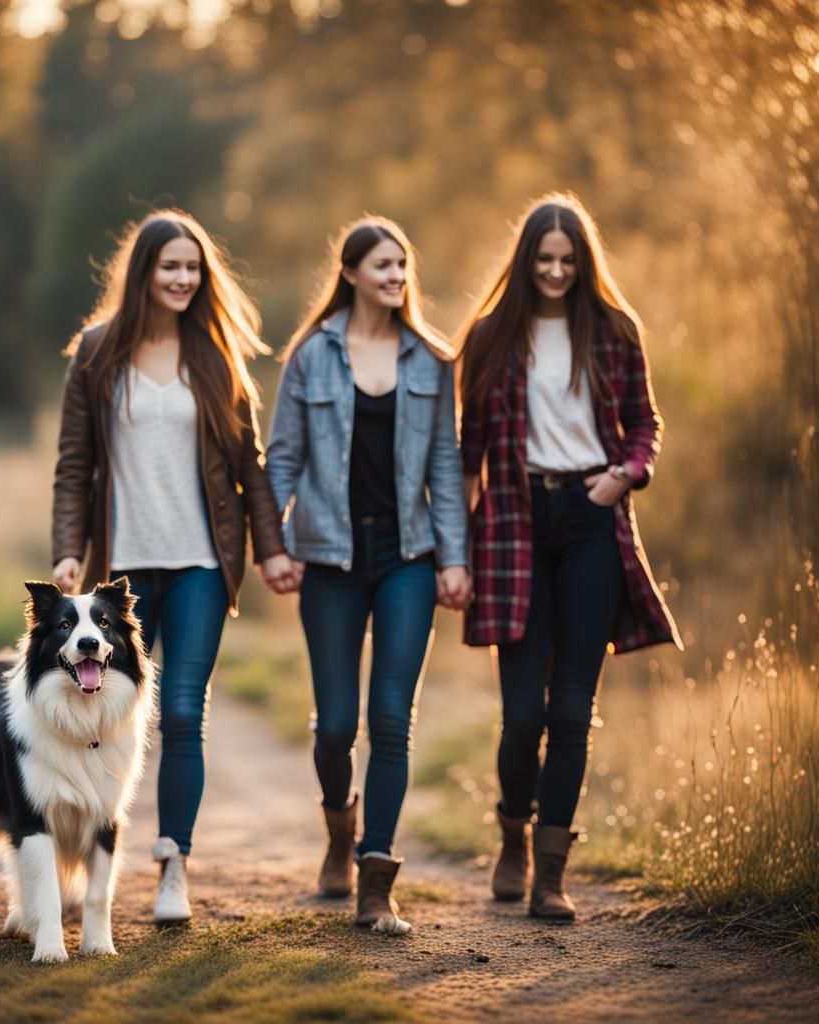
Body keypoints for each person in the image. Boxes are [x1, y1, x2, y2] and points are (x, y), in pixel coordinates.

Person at [51, 210, 297, 923]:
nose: (184, 279)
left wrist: (272, 550)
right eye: (171, 267)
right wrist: (69, 547)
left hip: (199, 565)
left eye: (194, 268)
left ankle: (172, 871)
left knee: (183, 713)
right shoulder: (97, 354)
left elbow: (248, 469)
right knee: (95, 714)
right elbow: (75, 464)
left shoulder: (217, 356)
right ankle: (74, 861)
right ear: (144, 274)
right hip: (121, 574)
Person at [458, 193, 682, 922]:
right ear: (526, 262)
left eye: (568, 259)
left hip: (591, 522)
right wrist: (454, 548)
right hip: (513, 523)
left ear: (583, 263)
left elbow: (645, 423)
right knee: (523, 714)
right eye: (544, 259)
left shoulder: (615, 330)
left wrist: (626, 473)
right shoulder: (491, 335)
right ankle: (513, 838)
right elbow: (467, 451)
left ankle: (551, 874)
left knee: (572, 712)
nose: (555, 271)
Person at [267, 217, 470, 934]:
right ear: (350, 272)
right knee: (335, 727)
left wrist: (454, 558)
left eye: (403, 265)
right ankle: (338, 833)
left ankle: (376, 880)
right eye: (383, 265)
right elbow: (281, 457)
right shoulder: (311, 357)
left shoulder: (432, 361)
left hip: (407, 559)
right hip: (327, 557)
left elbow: (445, 468)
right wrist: (274, 545)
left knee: (391, 718)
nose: (396, 276)